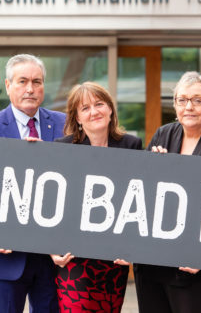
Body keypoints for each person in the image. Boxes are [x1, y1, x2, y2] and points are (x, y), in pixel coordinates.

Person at [134, 71, 201, 313]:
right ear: (174, 105)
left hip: (200, 271)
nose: (189, 107)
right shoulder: (163, 134)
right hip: (155, 265)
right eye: (182, 100)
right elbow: (142, 192)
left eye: (197, 100)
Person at [0, 54, 65, 313]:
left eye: (37, 81)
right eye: (22, 81)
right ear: (8, 85)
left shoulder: (64, 124)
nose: (30, 88)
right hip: (5, 257)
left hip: (52, 258)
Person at [51, 81, 142, 312]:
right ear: (77, 118)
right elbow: (51, 202)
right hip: (74, 257)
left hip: (113, 257)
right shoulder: (62, 149)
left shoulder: (131, 145)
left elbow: (139, 201)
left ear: (110, 109)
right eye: (85, 108)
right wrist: (51, 247)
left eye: (99, 104)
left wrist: (133, 248)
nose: (94, 112)